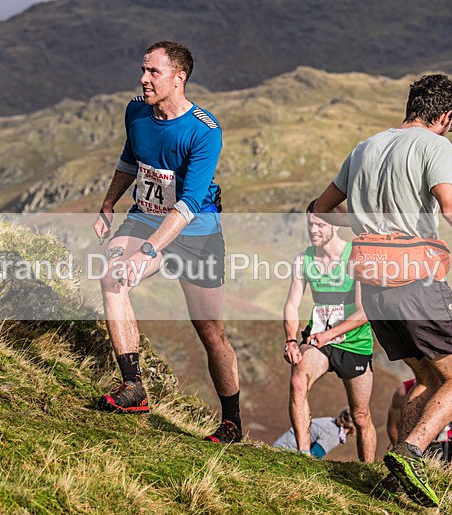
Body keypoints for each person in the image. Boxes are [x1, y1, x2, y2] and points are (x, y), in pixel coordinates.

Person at [313, 74, 452, 506]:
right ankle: (412, 453)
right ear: (444, 116)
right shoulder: (435, 146)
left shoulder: (363, 148)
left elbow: (320, 208)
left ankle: (397, 471)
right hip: (414, 279)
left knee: (426, 376)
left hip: (373, 284)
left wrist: (368, 228)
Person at [92, 41, 242, 443]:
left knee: (210, 330)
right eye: (143, 70)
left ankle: (231, 423)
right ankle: (133, 387)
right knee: (112, 275)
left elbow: (191, 202)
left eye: (153, 72)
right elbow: (131, 158)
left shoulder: (203, 131)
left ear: (179, 78)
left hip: (196, 233)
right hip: (145, 218)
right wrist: (109, 203)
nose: (143, 79)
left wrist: (148, 251)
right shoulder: (136, 111)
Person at [282, 204, 376, 461]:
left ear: (335, 224)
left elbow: (364, 312)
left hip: (354, 342)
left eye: (320, 224)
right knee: (298, 382)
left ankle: (367, 472)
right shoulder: (303, 259)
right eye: (310, 224)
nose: (313, 229)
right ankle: (302, 458)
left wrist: (330, 335)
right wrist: (291, 340)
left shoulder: (356, 257)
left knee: (360, 416)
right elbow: (291, 304)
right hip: (318, 339)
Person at [387, 378, 452, 477]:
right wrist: (401, 453)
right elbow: (393, 427)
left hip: (444, 448)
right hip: (411, 446)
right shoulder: (403, 392)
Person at [273, 408, 355, 459]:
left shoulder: (330, 422)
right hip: (286, 453)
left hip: (281, 447)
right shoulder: (333, 435)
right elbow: (313, 457)